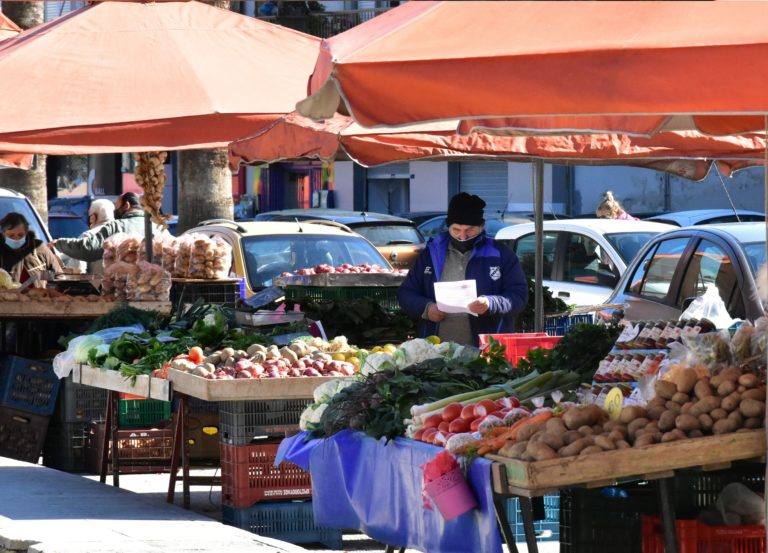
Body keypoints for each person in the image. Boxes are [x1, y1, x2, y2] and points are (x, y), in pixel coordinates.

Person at [398, 192, 528, 346]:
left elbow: (518, 296)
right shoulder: (430, 253)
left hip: (487, 351)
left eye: (470, 230)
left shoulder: (501, 254)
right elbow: (406, 293)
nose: (462, 236)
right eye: (456, 229)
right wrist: (426, 308)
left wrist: (490, 303)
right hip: (436, 352)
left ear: (481, 226)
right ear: (449, 226)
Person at [52, 192, 163, 270]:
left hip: (123, 289)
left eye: (117, 207)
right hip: (155, 290)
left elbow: (89, 249)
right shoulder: (159, 228)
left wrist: (60, 244)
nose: (115, 212)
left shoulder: (116, 226)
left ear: (127, 206)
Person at [0, 212, 62, 287]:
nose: (16, 239)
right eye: (11, 235)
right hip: (8, 298)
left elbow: (58, 274)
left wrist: (40, 274)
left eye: (20, 235)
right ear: (3, 235)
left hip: (37, 297)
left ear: (26, 233)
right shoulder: (2, 252)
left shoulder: (39, 248)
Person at [55, 198, 115, 274]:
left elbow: (77, 268)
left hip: (98, 284)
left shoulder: (89, 236)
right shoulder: (122, 234)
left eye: (89, 216)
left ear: (93, 217)